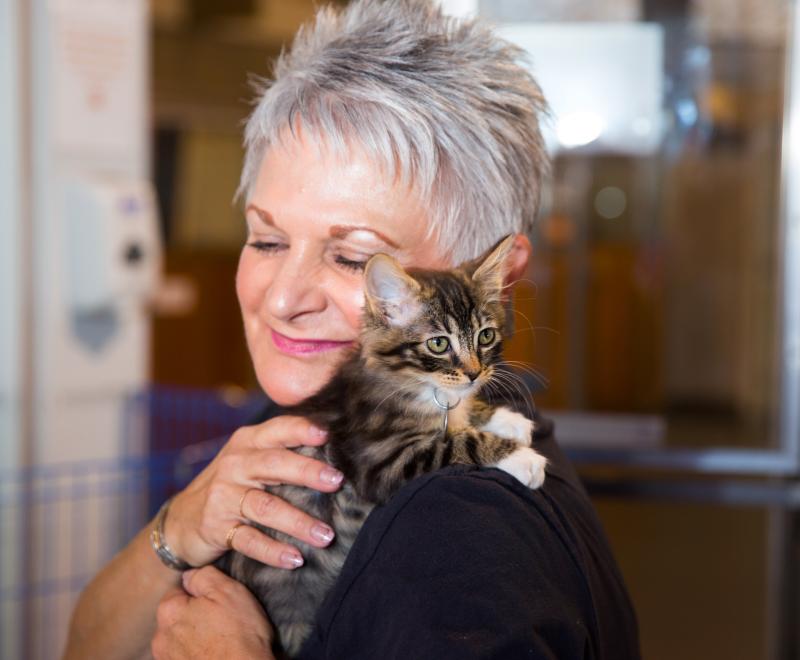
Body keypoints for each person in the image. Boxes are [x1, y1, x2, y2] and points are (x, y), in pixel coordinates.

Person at [64, 1, 641, 658]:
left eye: (356, 259)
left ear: (497, 282)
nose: (283, 299)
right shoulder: (321, 412)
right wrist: (177, 529)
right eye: (267, 239)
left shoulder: (451, 535)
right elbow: (83, 644)